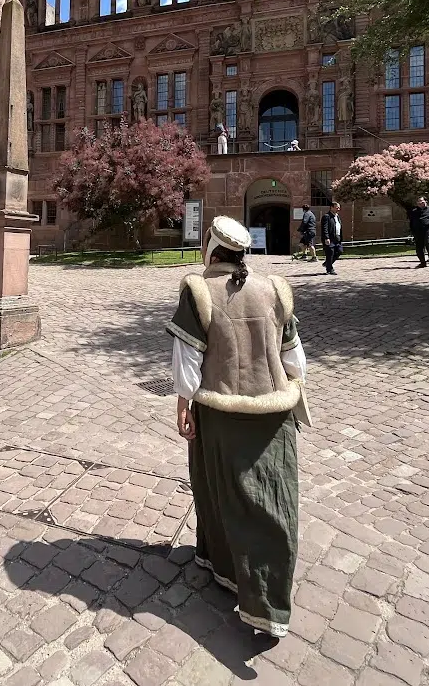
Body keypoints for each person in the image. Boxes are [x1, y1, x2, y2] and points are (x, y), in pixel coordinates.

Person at [166, 216, 312, 638]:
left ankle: (242, 580)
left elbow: (187, 362)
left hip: (221, 414)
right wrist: (288, 387)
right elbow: (294, 356)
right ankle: (260, 590)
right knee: (273, 499)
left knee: (219, 493)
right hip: (273, 414)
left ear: (210, 247)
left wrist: (182, 406)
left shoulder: (198, 290)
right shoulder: (274, 289)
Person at [408, 197, 429, 268]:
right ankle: (422, 262)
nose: (420, 203)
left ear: (425, 201)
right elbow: (412, 221)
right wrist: (412, 230)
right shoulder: (414, 211)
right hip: (417, 231)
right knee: (419, 247)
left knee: (428, 243)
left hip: (427, 229)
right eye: (418, 202)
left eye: (421, 201)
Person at [321, 202, 344, 275]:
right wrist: (326, 238)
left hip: (337, 238)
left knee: (340, 251)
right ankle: (330, 269)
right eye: (337, 207)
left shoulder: (337, 216)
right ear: (331, 207)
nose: (338, 209)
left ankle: (327, 263)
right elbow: (325, 228)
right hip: (330, 238)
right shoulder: (326, 216)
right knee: (330, 253)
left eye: (339, 208)